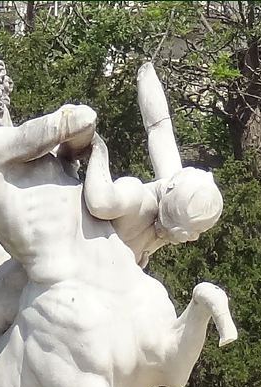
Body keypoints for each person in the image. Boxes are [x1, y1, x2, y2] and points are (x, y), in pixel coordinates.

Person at [83, 62, 223, 268]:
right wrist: (97, 148)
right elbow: (99, 202)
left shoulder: (173, 196)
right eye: (193, 233)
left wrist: (147, 77)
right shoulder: (139, 198)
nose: (193, 239)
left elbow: (159, 127)